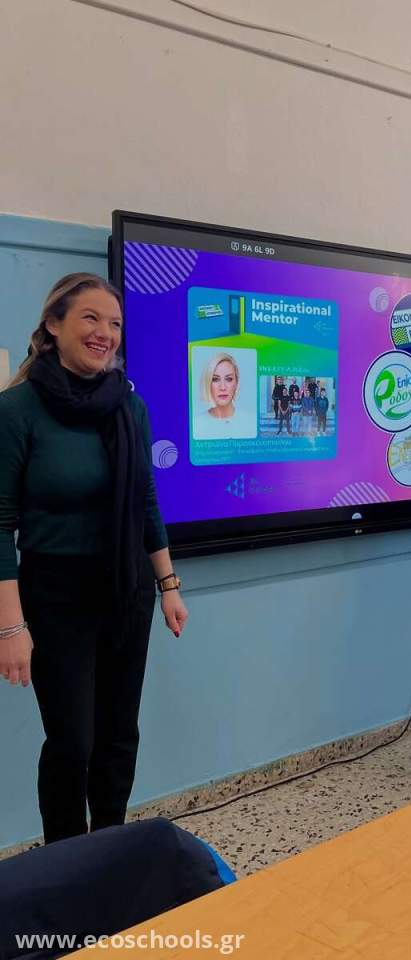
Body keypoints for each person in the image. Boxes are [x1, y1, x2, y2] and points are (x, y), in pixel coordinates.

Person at [0, 273, 188, 844]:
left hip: (126, 589)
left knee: (118, 735)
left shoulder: (128, 406)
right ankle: (66, 861)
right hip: (55, 593)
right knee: (72, 741)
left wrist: (168, 584)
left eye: (115, 323)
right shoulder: (17, 410)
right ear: (53, 325)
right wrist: (11, 626)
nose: (105, 332)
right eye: (90, 318)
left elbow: (146, 499)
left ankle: (108, 850)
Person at [194, 352, 253, 440]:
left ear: (236, 383)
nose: (222, 387)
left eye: (229, 379)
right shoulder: (196, 424)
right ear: (208, 383)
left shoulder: (250, 423)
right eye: (215, 379)